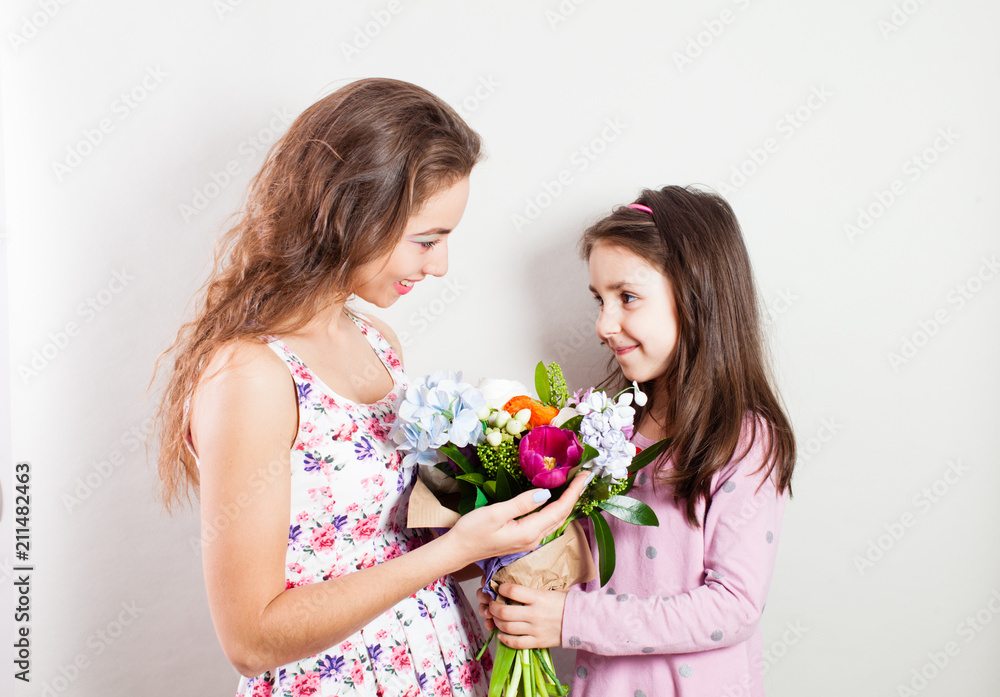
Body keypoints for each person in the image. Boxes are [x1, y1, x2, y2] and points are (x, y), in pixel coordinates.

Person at [153, 78, 588, 697]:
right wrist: (448, 552)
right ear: (353, 213)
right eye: (427, 240)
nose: (439, 266)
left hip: (445, 670)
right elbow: (250, 641)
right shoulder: (251, 377)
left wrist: (509, 532)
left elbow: (391, 550)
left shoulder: (378, 343)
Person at [477, 186, 797, 696]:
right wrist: (526, 596)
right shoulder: (608, 427)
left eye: (626, 297)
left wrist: (570, 618)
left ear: (697, 296)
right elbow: (593, 566)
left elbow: (733, 607)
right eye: (599, 301)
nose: (604, 324)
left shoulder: (745, 440)